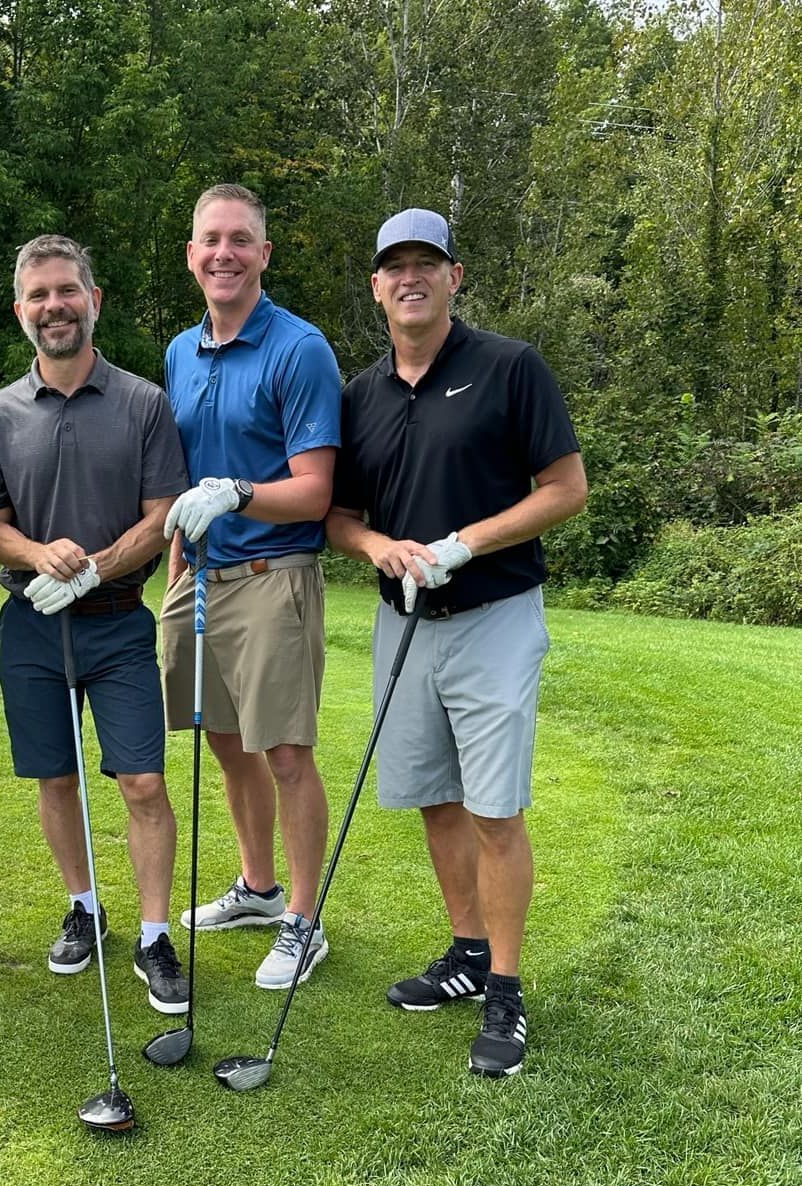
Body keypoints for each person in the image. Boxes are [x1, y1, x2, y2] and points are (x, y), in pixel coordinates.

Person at [325, 208, 588, 1076]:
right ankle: (468, 956)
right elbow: (340, 517)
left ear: (453, 276)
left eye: (425, 263)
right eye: (393, 265)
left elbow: (564, 488)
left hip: (495, 617)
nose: (410, 278)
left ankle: (506, 995)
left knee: (494, 808)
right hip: (403, 622)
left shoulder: (510, 367)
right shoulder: (360, 393)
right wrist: (379, 548)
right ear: (376, 285)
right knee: (435, 799)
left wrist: (465, 542)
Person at [0, 235, 191, 1015]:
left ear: (93, 301)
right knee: (55, 778)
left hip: (118, 621)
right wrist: (40, 557)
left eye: (66, 291)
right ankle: (85, 907)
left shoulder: (141, 403)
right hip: (31, 624)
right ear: (21, 311)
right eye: (38, 295)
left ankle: (155, 935)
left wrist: (93, 568)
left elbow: (162, 515)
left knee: (142, 780)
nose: (53, 306)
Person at [161, 184, 342, 990]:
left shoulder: (297, 348)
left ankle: (305, 920)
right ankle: (259, 890)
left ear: (264, 254)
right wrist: (178, 551)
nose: (224, 253)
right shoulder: (178, 350)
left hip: (275, 575)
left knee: (287, 753)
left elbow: (315, 492)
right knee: (224, 741)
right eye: (211, 240)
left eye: (241, 240)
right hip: (202, 575)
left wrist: (237, 493)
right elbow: (180, 478)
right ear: (192, 254)